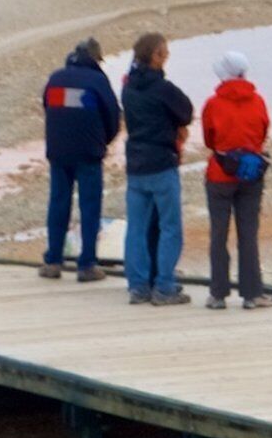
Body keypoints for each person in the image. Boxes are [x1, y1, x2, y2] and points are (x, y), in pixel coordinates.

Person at [117, 31, 195, 306]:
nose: (167, 58)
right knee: (170, 227)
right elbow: (186, 111)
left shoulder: (127, 88)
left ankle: (138, 286)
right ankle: (164, 285)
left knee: (136, 228)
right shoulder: (163, 89)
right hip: (161, 164)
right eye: (165, 53)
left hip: (136, 165)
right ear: (156, 56)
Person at [38, 37, 120, 283]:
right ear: (95, 58)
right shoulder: (97, 80)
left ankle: (53, 260)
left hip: (59, 152)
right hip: (88, 153)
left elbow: (47, 107)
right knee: (90, 207)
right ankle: (86, 264)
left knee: (58, 203)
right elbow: (113, 117)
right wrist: (102, 141)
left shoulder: (55, 78)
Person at [200, 49, 272, 310]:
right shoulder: (258, 101)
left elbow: (209, 138)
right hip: (250, 174)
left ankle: (218, 294)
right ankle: (252, 294)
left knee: (218, 234)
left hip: (220, 174)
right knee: (248, 234)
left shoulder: (213, 104)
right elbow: (263, 131)